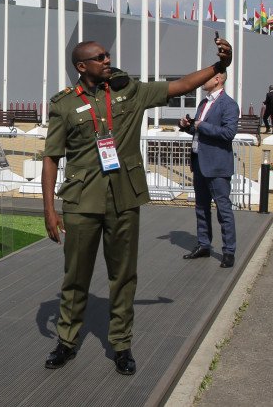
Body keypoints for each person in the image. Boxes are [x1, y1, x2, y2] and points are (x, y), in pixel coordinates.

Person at [41, 36, 233, 377]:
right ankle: (67, 341)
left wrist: (218, 67)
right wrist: (49, 210)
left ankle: (121, 345)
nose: (107, 59)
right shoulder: (65, 105)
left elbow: (181, 85)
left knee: (124, 276)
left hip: (124, 198)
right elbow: (51, 159)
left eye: (107, 54)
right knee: (75, 276)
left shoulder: (130, 90)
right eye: (99, 57)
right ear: (81, 67)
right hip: (81, 202)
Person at [179, 71, 239, 268]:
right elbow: (198, 130)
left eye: (207, 77)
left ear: (217, 79)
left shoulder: (228, 104)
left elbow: (228, 133)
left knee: (223, 210)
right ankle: (203, 244)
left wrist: (201, 125)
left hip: (217, 165)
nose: (202, 80)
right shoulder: (204, 103)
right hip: (199, 162)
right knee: (201, 208)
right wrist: (187, 127)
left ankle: (228, 251)